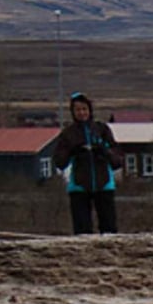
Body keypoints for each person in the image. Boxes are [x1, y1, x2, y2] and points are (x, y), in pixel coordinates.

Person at [52, 92, 123, 234]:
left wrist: (103, 150)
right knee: (82, 230)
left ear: (90, 110)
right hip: (79, 186)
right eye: (78, 110)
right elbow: (60, 162)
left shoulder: (101, 129)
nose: (81, 113)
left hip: (104, 184)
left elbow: (117, 161)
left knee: (109, 228)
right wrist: (73, 151)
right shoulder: (68, 133)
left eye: (84, 109)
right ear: (72, 112)